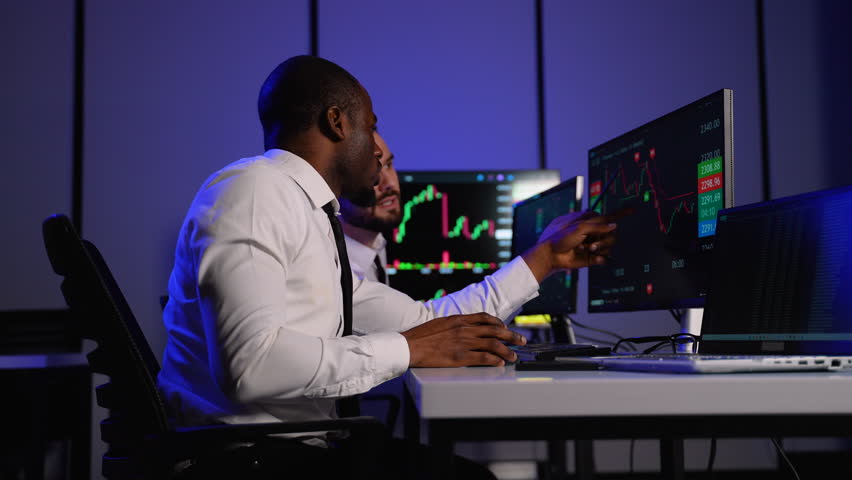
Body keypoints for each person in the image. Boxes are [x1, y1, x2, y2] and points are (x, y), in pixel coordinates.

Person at [157, 55, 617, 478]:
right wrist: (407, 349)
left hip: (287, 450)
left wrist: (544, 259)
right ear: (337, 122)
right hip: (243, 462)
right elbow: (250, 366)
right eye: (371, 126)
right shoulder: (255, 190)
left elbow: (431, 322)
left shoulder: (312, 217)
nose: (378, 151)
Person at [339, 131, 399, 284]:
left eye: (388, 165)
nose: (390, 183)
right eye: (371, 173)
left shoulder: (377, 241)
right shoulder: (332, 270)